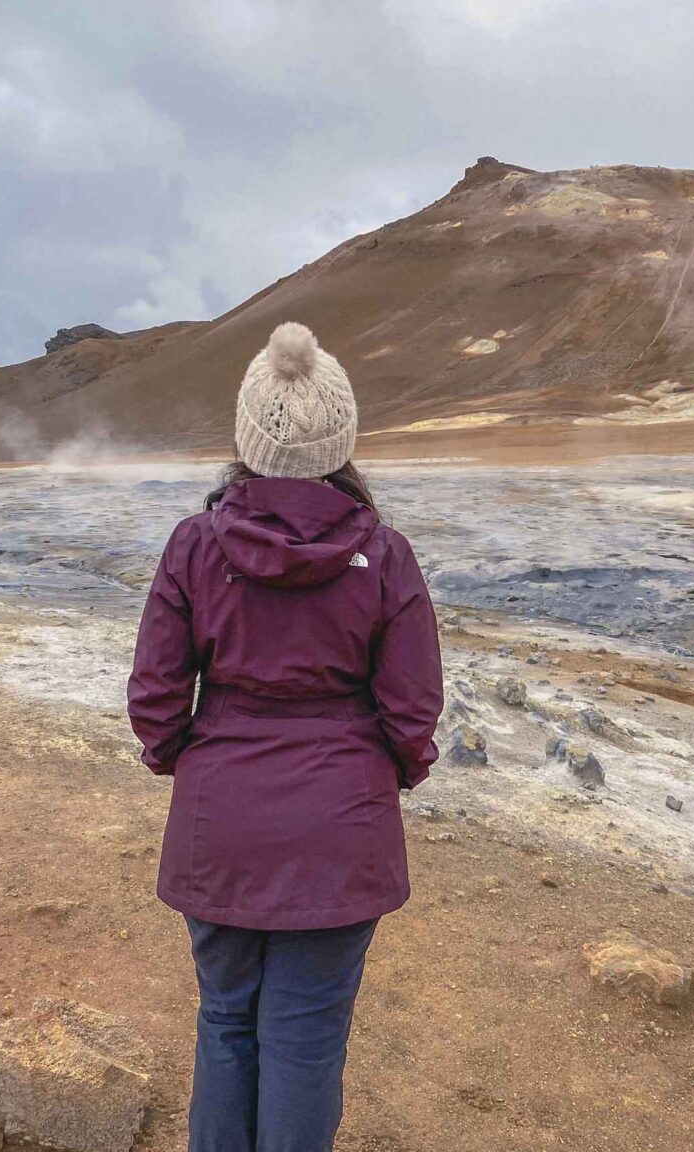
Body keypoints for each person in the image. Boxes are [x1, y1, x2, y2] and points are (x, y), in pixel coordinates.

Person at [127, 321, 444, 1152]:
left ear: (247, 439)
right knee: (305, 1038)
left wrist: (187, 761)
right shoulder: (385, 552)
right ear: (341, 442)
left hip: (220, 819)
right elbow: (413, 710)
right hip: (341, 829)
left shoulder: (194, 545)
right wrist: (378, 781)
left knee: (226, 1020)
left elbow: (157, 698)